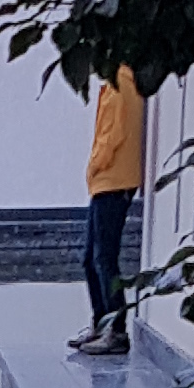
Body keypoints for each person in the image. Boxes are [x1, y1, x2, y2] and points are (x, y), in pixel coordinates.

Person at [73, 63, 144, 354]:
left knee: (104, 258)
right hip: (105, 181)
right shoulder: (115, 83)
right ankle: (102, 323)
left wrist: (94, 164)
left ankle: (116, 331)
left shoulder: (121, 83)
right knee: (91, 258)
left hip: (114, 180)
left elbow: (114, 134)